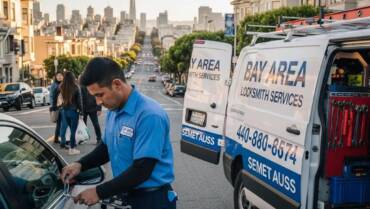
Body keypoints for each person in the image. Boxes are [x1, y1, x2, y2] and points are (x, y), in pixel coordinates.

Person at [61, 57, 176, 209]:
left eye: (100, 95)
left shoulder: (149, 115)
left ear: (117, 84)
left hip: (151, 200)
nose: (98, 102)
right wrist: (80, 164)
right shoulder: (114, 110)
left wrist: (99, 192)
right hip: (125, 195)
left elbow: (142, 170)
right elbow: (106, 148)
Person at [59, 71, 82, 155]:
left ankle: (72, 147)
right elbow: (79, 101)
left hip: (65, 111)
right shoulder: (76, 87)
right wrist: (81, 111)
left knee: (70, 130)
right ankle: (72, 149)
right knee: (73, 131)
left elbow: (61, 99)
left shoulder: (61, 86)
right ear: (73, 78)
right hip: (74, 111)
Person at [49, 72, 64, 144]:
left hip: (64, 106)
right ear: (56, 77)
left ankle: (60, 138)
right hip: (57, 106)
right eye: (58, 76)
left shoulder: (65, 84)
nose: (59, 77)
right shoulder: (54, 85)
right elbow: (51, 96)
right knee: (59, 123)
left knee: (63, 123)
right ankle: (56, 138)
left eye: (61, 75)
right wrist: (52, 105)